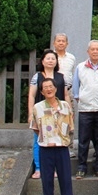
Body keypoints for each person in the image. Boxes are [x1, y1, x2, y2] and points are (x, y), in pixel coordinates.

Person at [31, 78, 76, 195]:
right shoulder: (37, 107)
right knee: (47, 182)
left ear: (55, 89)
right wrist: (47, 138)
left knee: (65, 181)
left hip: (62, 148)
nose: (49, 89)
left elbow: (70, 126)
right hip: (45, 149)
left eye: (51, 86)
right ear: (42, 92)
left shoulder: (65, 105)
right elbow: (36, 128)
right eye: (45, 88)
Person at [73, 40, 98, 179]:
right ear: (88, 51)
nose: (95, 51)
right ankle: (81, 167)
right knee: (83, 140)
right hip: (85, 109)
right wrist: (82, 100)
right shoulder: (80, 67)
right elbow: (76, 89)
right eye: (92, 49)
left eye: (97, 49)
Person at [28, 49, 69, 179]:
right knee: (39, 140)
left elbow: (66, 95)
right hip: (42, 114)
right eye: (48, 58)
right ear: (43, 61)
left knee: (58, 141)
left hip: (59, 114)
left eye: (53, 58)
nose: (51, 61)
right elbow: (31, 95)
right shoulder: (37, 77)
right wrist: (30, 113)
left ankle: (55, 169)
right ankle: (39, 168)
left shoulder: (61, 77)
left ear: (56, 61)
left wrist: (70, 111)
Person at [53, 33, 77, 158]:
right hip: (52, 92)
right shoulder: (51, 57)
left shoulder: (71, 58)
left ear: (67, 43)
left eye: (63, 41)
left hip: (68, 91)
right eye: (58, 41)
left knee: (69, 119)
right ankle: (54, 146)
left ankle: (69, 147)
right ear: (54, 43)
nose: (61, 43)